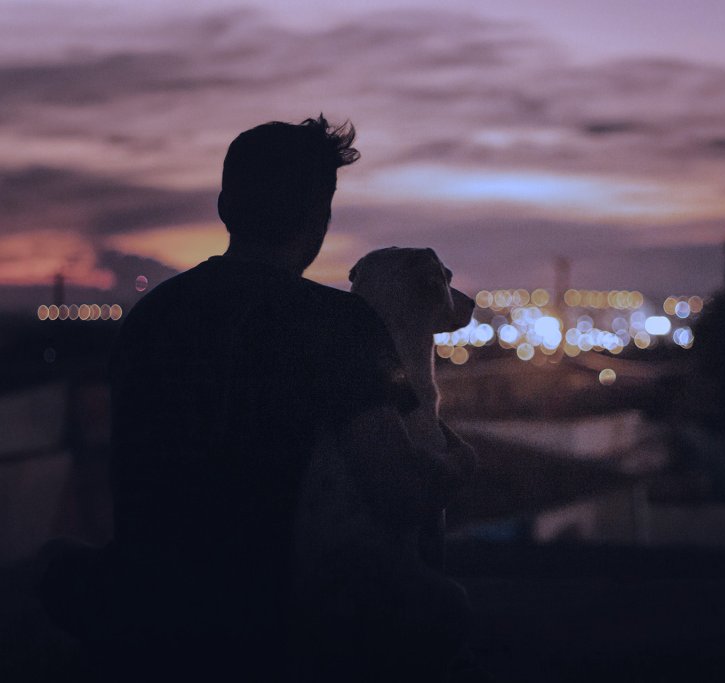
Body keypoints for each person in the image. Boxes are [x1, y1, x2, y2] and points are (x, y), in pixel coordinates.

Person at [44, 115, 472, 681]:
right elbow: (399, 492)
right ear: (320, 218)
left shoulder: (152, 318)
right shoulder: (339, 324)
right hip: (271, 622)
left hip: (145, 605)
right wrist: (462, 463)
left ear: (225, 208)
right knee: (448, 615)